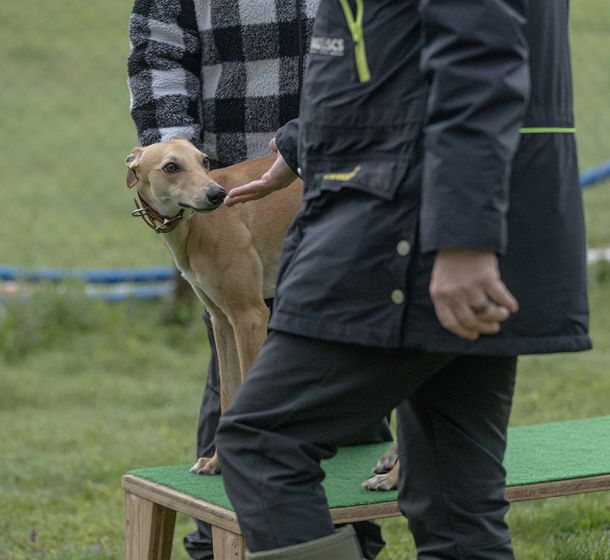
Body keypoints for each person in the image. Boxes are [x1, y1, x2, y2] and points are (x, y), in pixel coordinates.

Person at [216, 0, 591, 559]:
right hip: (447, 214)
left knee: (262, 442)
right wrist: (303, 144)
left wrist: (464, 239)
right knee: (453, 503)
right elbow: (387, 49)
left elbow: (477, 57)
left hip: (410, 228)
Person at [127, 1, 391, 558]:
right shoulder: (186, 180)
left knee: (352, 366)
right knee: (232, 346)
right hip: (232, 175)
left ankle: (356, 541)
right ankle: (221, 532)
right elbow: (157, 55)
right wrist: (176, 157)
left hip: (345, 164)